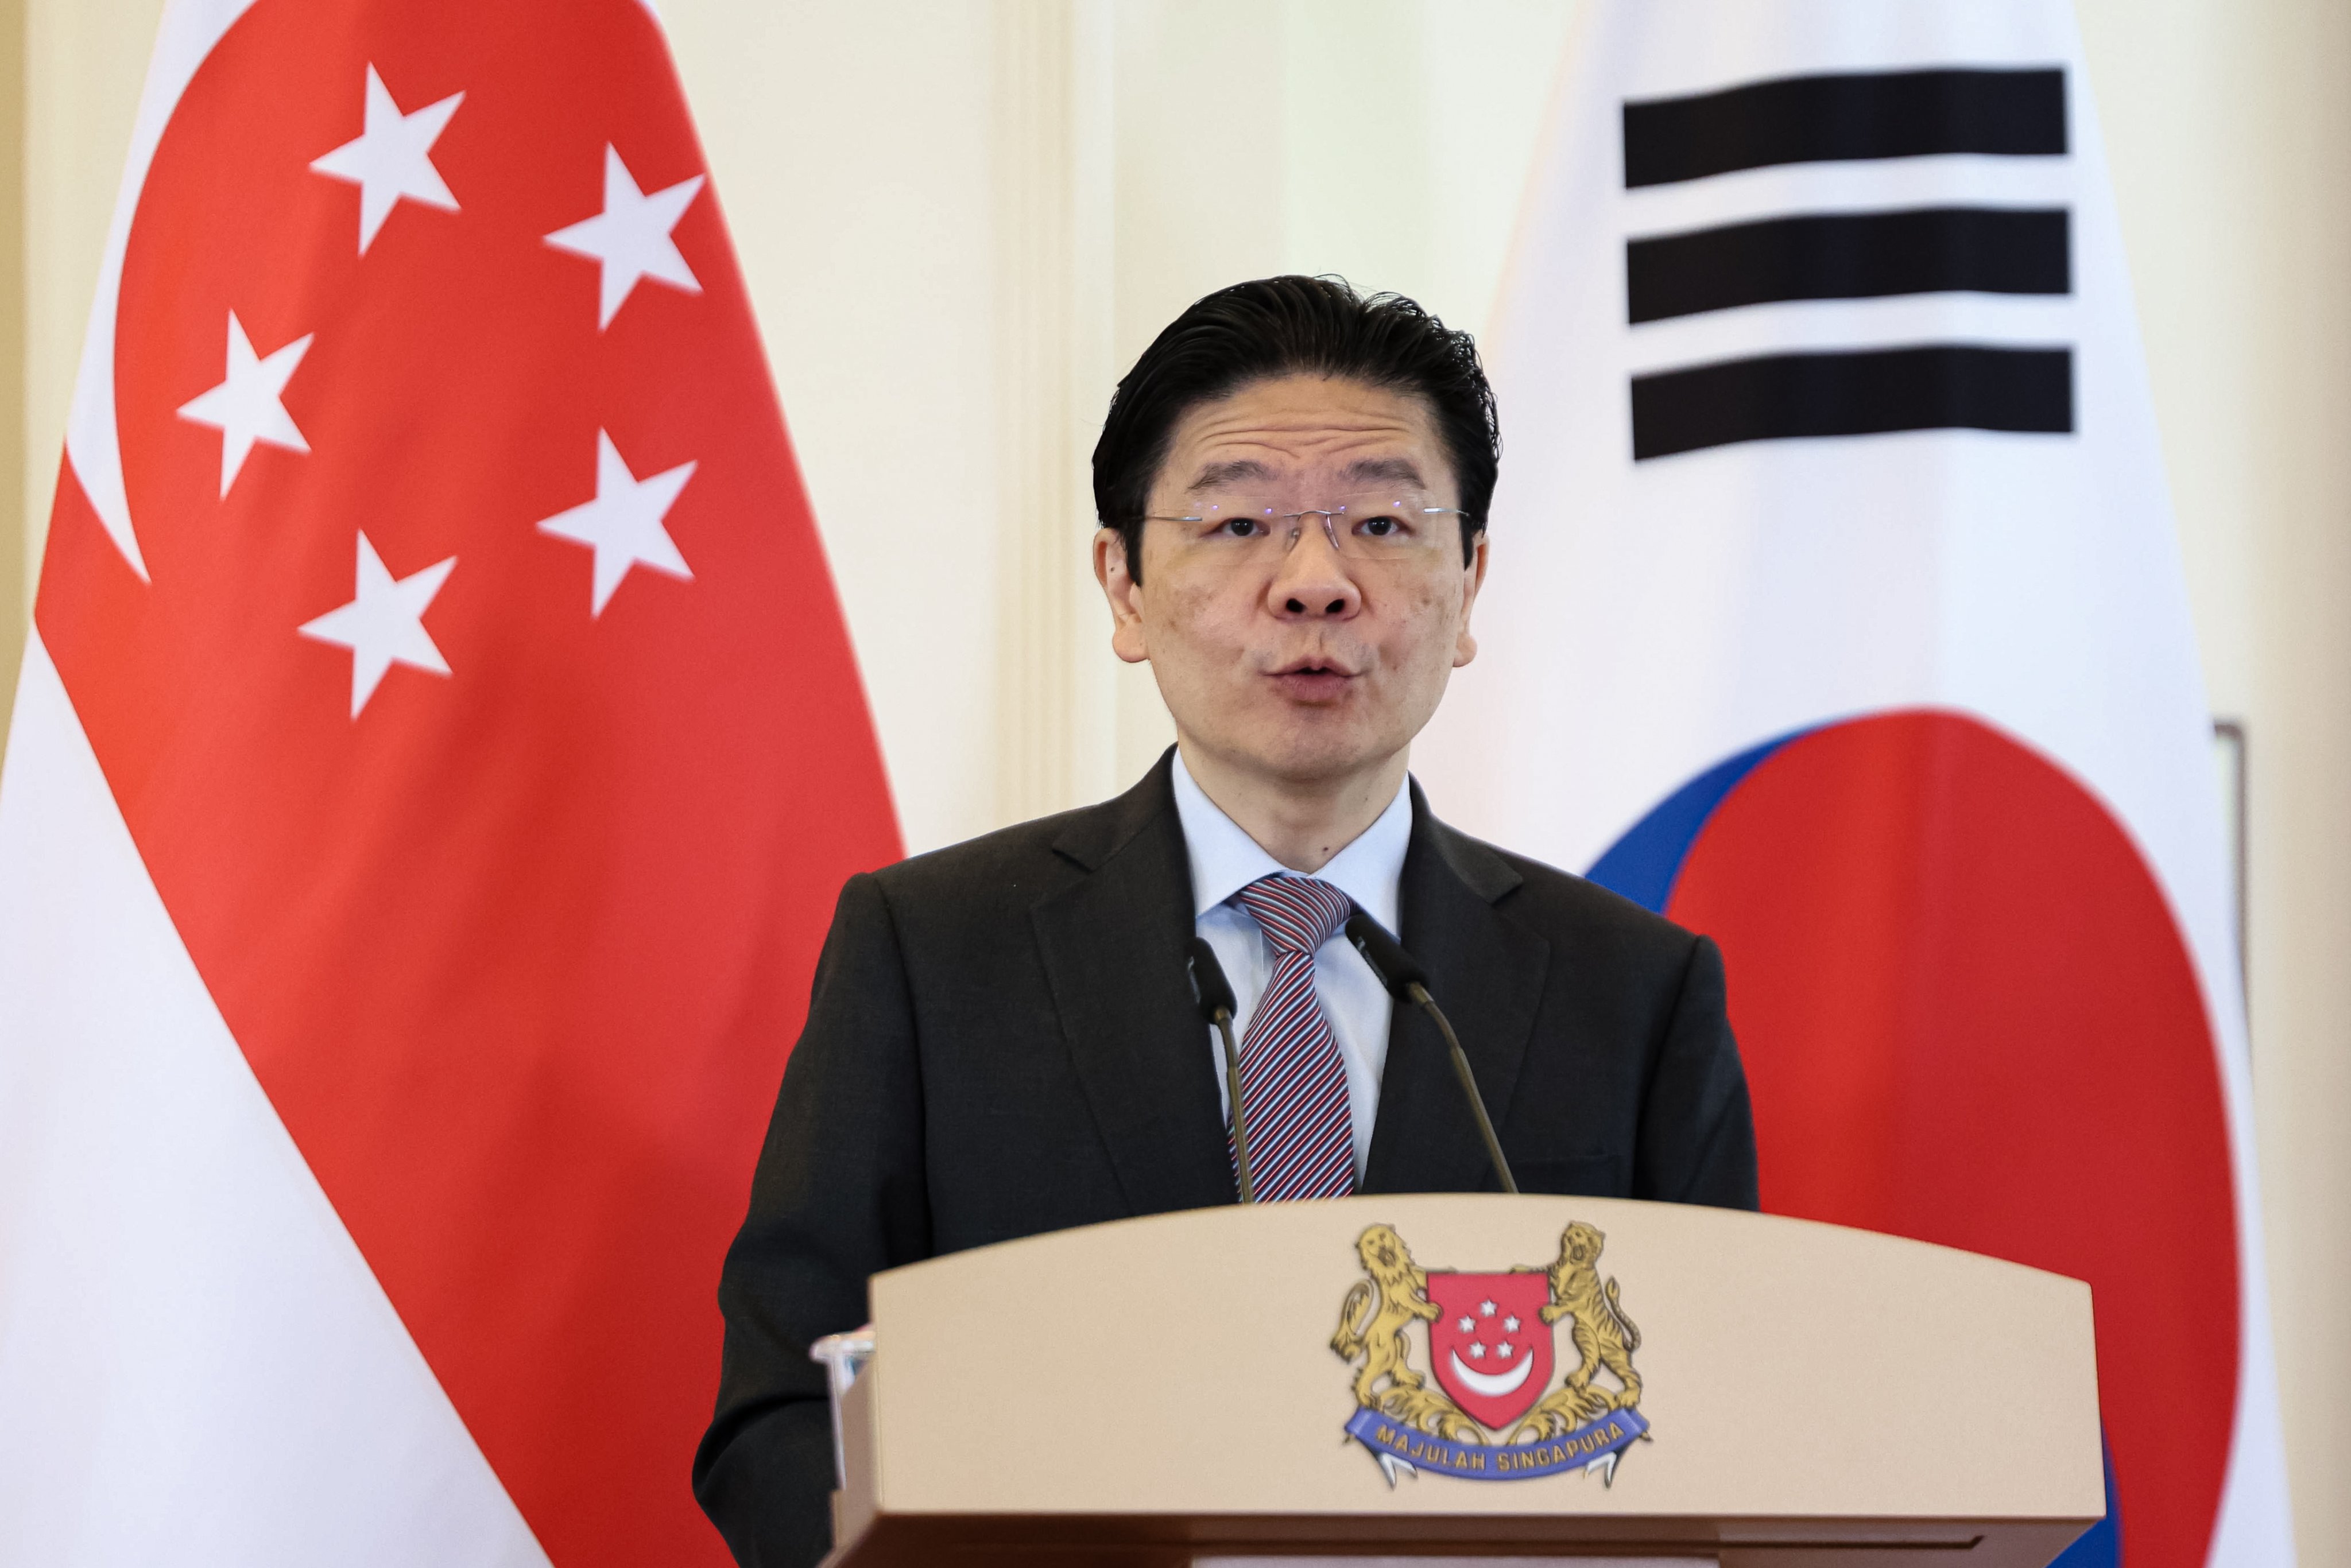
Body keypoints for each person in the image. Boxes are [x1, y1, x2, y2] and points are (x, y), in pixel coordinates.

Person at [692, 275, 1757, 1566]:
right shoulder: (932, 954)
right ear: (1125, 587)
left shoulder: (1631, 993)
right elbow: (781, 1423)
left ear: (1468, 584)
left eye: (1379, 518)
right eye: (1238, 520)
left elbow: (1706, 1433)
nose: (1313, 582)